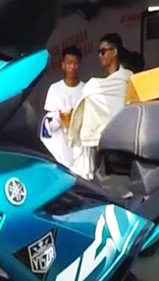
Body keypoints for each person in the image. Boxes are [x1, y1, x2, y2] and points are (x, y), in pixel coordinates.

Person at [66, 34, 134, 179]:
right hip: (102, 144)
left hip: (125, 143)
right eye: (98, 52)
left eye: (103, 52)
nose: (100, 56)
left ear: (114, 52)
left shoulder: (128, 79)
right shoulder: (95, 85)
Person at [40, 45, 86, 168]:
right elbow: (48, 127)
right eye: (69, 63)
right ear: (63, 65)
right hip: (60, 152)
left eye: (75, 63)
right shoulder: (54, 89)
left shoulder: (86, 89)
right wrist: (60, 117)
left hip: (80, 150)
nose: (72, 67)